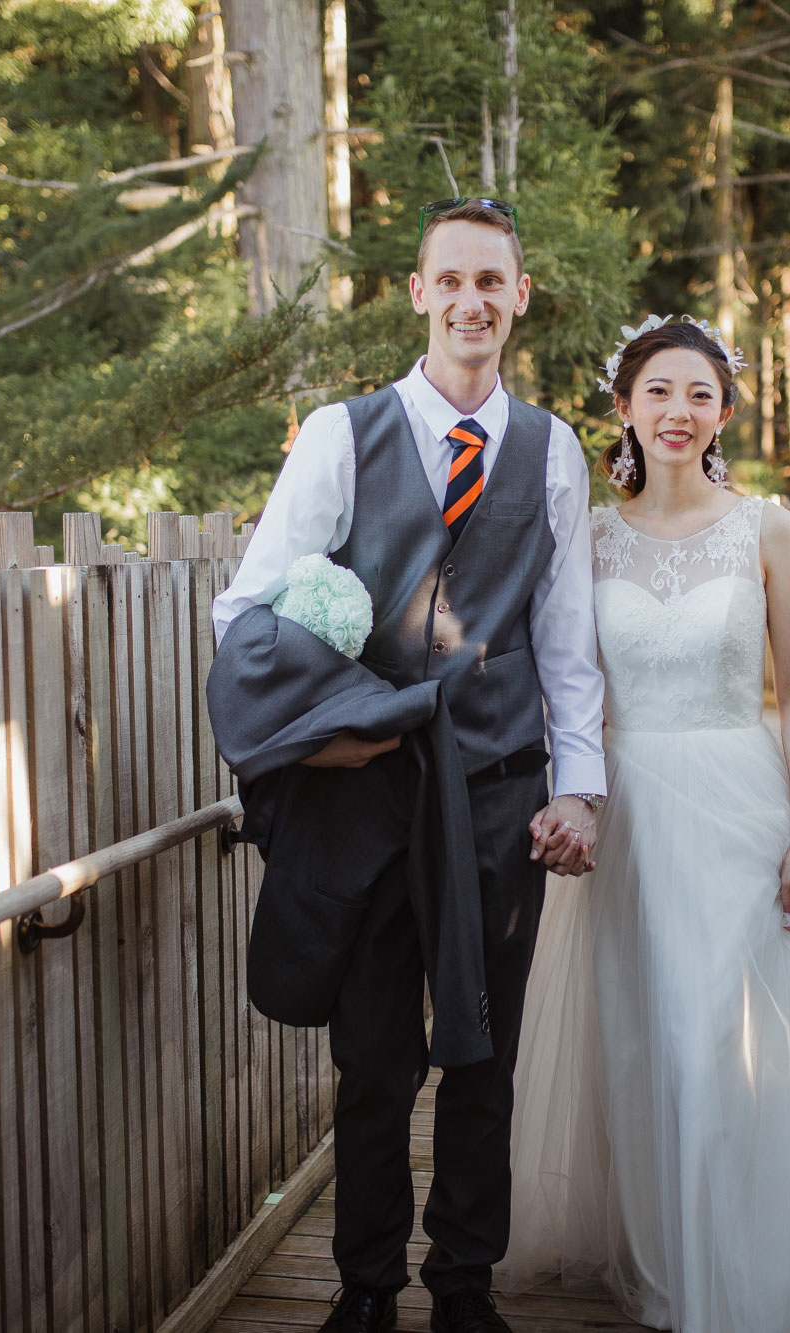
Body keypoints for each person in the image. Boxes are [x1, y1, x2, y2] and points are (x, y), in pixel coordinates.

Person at [211, 198, 606, 1333]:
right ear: (419, 292)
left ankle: (465, 1290)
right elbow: (248, 609)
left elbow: (565, 643)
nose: (472, 301)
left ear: (518, 297)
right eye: (452, 280)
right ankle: (366, 1290)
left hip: (495, 795)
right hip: (367, 800)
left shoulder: (549, 450)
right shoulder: (343, 434)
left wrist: (574, 786)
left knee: (483, 1063)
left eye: (494, 281)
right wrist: (323, 731)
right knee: (375, 1060)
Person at [499, 316, 790, 1332]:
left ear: (724, 409)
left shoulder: (767, 528)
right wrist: (567, 794)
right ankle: (681, 1262)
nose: (679, 411)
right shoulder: (585, 538)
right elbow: (564, 687)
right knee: (653, 1042)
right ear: (621, 405)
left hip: (740, 801)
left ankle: (787, 1269)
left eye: (699, 393)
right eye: (658, 391)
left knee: (744, 1036)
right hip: (630, 815)